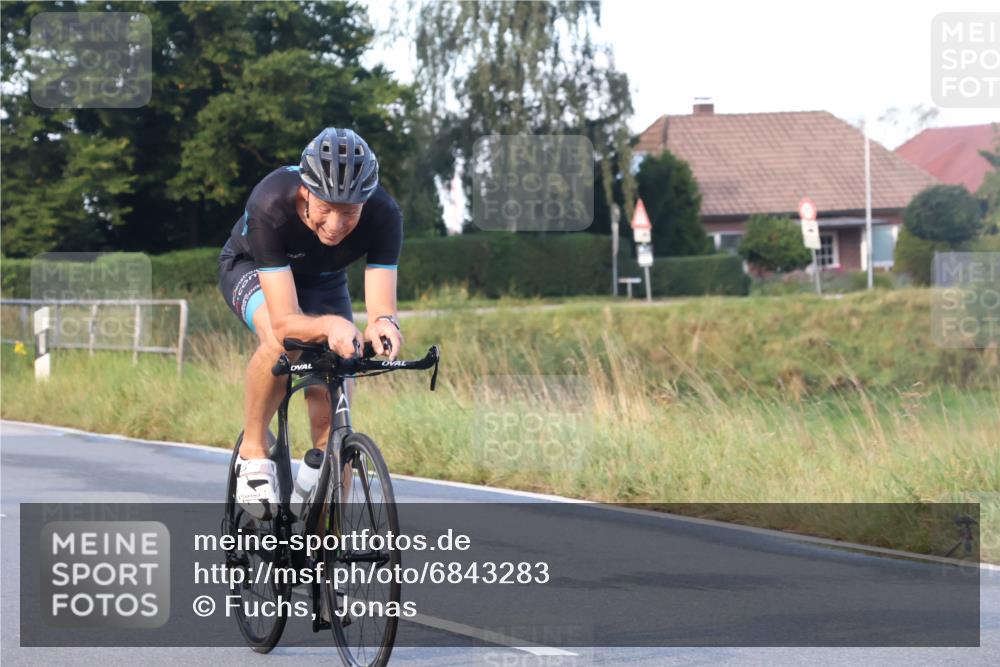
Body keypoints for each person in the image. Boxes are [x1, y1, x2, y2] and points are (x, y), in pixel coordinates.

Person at [217, 127, 404, 517]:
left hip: (323, 282)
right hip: (250, 266)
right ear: (305, 191)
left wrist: (383, 325)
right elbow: (286, 321)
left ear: (366, 203)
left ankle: (322, 502)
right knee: (283, 340)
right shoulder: (271, 201)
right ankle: (253, 449)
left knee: (338, 375)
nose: (335, 224)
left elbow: (381, 308)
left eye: (349, 212)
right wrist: (331, 327)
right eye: (326, 208)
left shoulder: (385, 214)